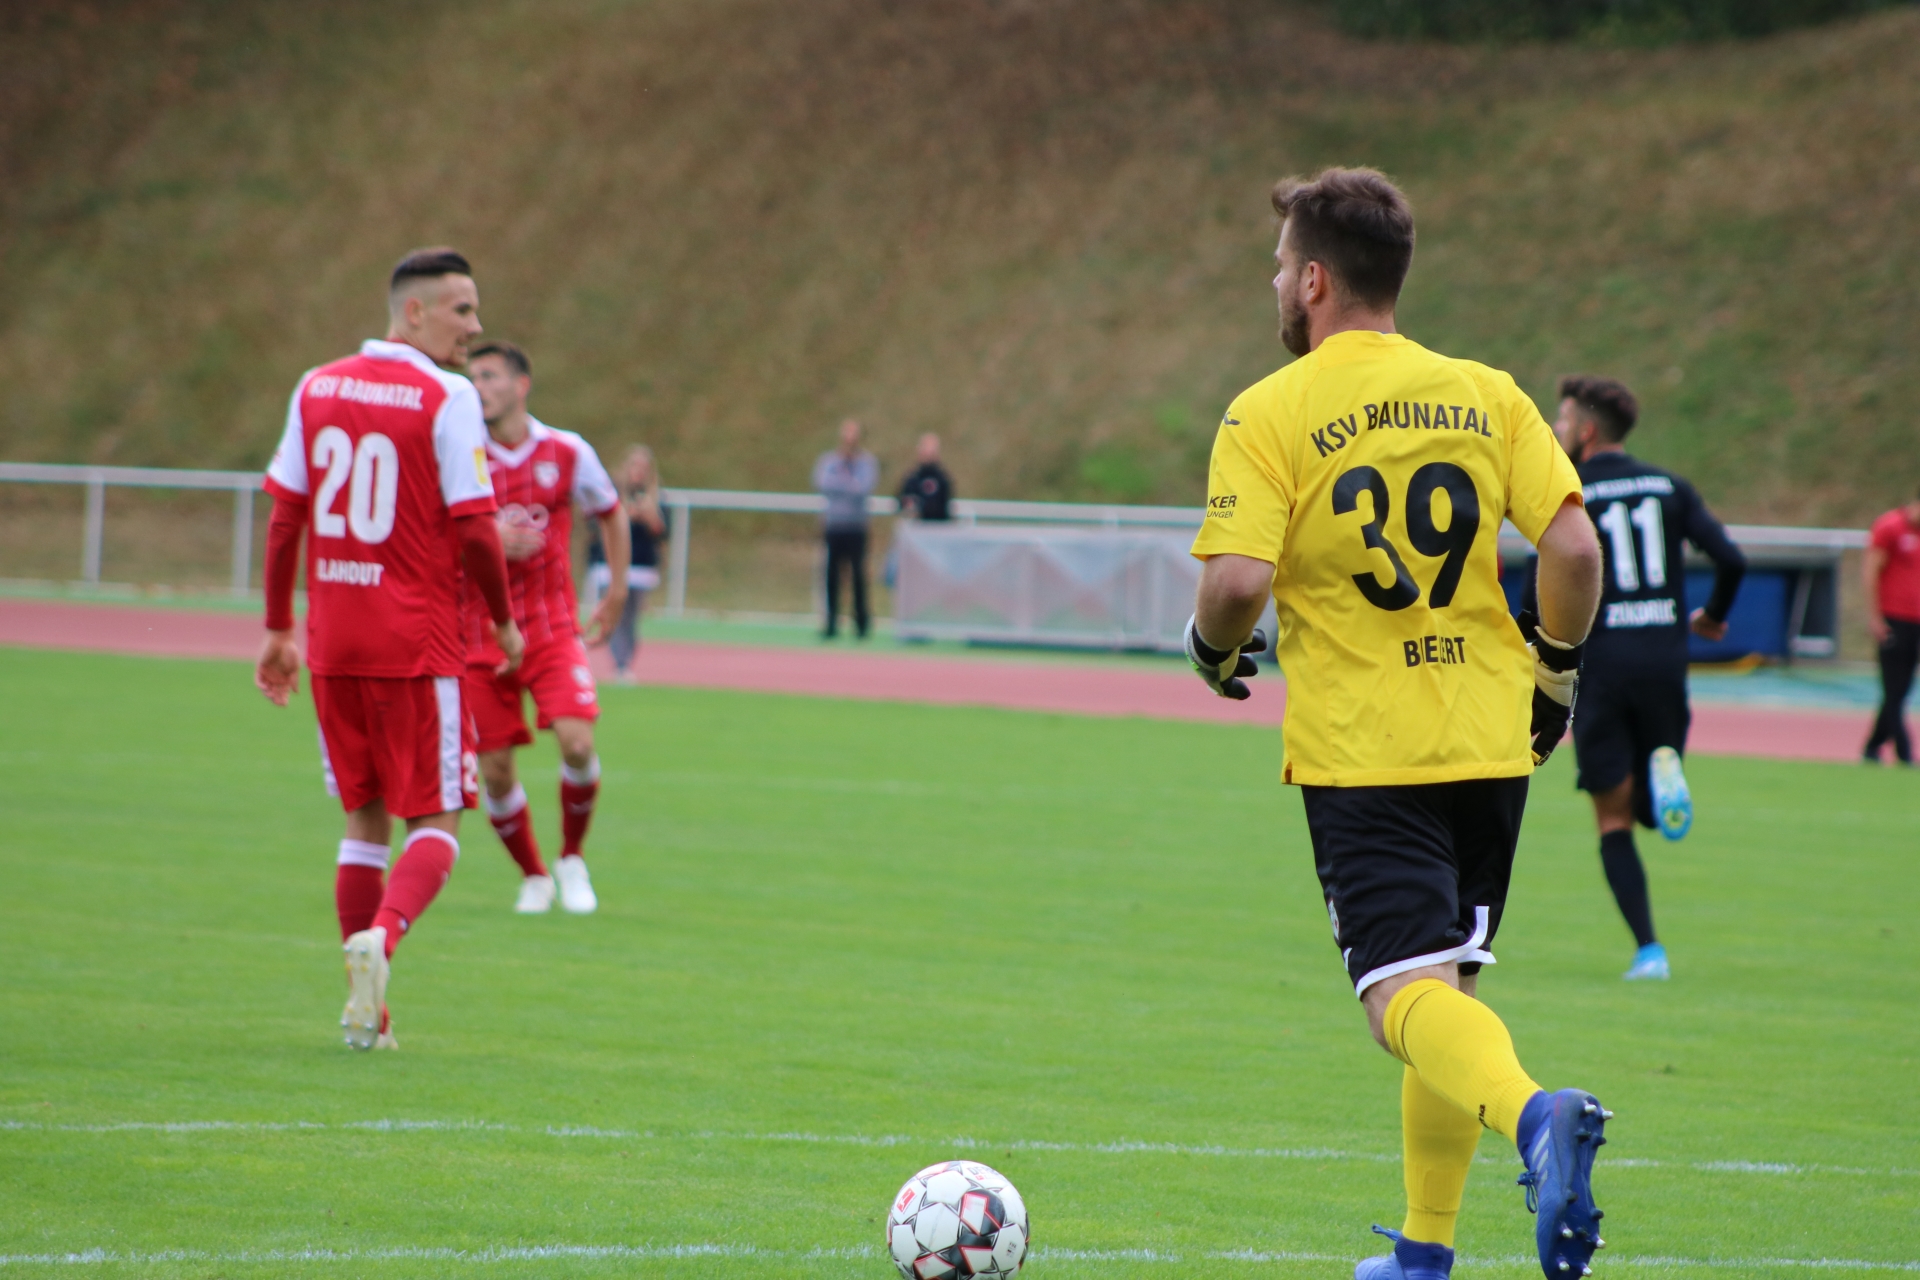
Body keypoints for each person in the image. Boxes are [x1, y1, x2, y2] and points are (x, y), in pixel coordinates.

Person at [1185, 168, 1610, 1280]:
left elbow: (1235, 582)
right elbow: (1573, 549)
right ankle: (1425, 1249)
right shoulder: (1485, 392)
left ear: (1314, 281)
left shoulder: (1270, 410)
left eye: (1281, 264)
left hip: (1367, 747)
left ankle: (1537, 1118)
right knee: (1446, 984)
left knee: (1399, 998)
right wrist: (1555, 673)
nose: (1276, 282)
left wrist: (1212, 650)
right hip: (1490, 737)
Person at [254, 247, 523, 1051]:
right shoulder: (446, 394)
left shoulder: (316, 385)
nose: (474, 326)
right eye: (462, 309)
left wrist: (279, 628)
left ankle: (367, 1017)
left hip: (334, 641)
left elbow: (285, 516)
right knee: (438, 816)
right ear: (415, 311)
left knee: (364, 817)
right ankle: (384, 939)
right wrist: (504, 621)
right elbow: (476, 527)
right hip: (417, 642)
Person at [1531, 375, 1745, 982]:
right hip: (1664, 662)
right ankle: (1663, 768)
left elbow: (1536, 590)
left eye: (1563, 420)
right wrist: (1712, 617)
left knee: (1613, 819)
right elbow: (1732, 559)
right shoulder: (1669, 486)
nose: (1556, 429)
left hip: (1602, 667)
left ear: (1586, 430)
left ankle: (1649, 950)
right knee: (1651, 785)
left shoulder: (1569, 494)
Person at [463, 341, 628, 916]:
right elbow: (428, 529)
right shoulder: (458, 453)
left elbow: (611, 512)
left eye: (489, 376)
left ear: (521, 385)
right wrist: (485, 535)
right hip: (478, 634)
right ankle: (534, 876)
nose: (478, 387)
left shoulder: (567, 451)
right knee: (496, 771)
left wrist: (616, 592)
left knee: (578, 743)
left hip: (551, 629)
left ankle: (572, 859)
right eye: (472, 377)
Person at [588, 445, 667, 680]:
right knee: (615, 613)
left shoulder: (656, 497)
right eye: (635, 466)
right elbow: (595, 525)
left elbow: (663, 534)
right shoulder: (610, 493)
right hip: (611, 564)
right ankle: (618, 662)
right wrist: (623, 518)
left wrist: (651, 518)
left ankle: (624, 663)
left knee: (631, 617)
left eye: (644, 467)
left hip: (640, 566)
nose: (639, 472)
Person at [1862, 487, 1920, 764]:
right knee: (1894, 687)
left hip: (1917, 621)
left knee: (1902, 689)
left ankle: (1873, 745)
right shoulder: (1891, 527)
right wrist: (1875, 617)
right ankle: (1904, 751)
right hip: (1893, 618)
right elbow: (1871, 572)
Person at [812, 417, 878, 638]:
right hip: (834, 525)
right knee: (831, 575)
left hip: (856, 526)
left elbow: (863, 488)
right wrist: (849, 485)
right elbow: (823, 484)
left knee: (859, 575)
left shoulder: (866, 463)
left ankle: (861, 622)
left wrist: (842, 485)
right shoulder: (829, 461)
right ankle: (831, 621)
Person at [897, 433, 956, 521]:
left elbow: (943, 505)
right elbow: (903, 501)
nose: (928, 454)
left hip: (937, 526)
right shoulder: (912, 479)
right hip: (916, 526)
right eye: (925, 449)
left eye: (932, 451)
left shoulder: (942, 480)